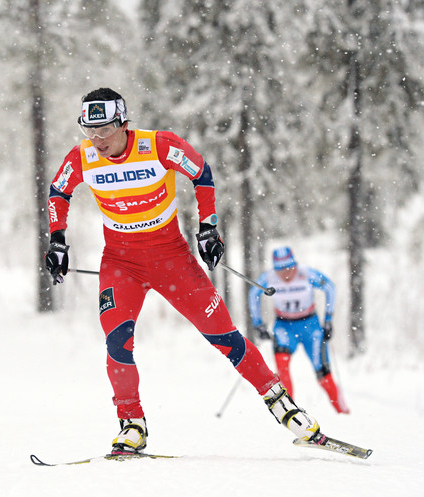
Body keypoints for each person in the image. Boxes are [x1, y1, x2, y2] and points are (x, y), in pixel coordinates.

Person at [44, 87, 324, 454]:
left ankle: (282, 404)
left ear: (123, 123)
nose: (97, 140)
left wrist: (208, 227)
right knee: (117, 340)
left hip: (172, 260)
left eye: (105, 130)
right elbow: (58, 192)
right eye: (89, 131)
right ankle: (131, 424)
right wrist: (58, 240)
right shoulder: (82, 157)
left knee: (225, 337)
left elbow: (201, 172)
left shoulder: (156, 145)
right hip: (120, 262)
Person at [248, 246, 349, 414]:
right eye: (281, 270)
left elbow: (330, 287)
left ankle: (343, 413)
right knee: (282, 366)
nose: (286, 273)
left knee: (323, 374)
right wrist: (258, 324)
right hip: (284, 327)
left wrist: (329, 319)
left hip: (311, 326)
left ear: (295, 264)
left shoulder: (306, 274)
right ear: (275, 269)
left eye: (290, 267)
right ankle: (290, 413)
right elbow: (253, 294)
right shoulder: (269, 278)